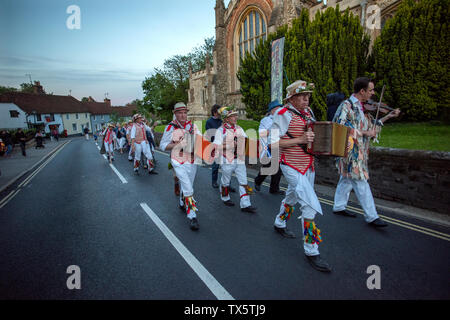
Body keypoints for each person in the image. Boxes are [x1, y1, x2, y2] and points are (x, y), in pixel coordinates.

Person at [270, 79, 332, 272]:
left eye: (308, 96)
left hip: (308, 164)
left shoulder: (309, 112)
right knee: (308, 203)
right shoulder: (282, 114)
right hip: (290, 163)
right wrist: (301, 139)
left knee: (292, 195)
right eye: (303, 97)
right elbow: (272, 143)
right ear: (292, 98)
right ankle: (311, 250)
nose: (307, 100)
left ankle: (279, 222)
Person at [332, 77, 400, 227]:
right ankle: (372, 216)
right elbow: (340, 127)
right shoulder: (346, 106)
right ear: (362, 91)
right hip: (350, 151)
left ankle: (338, 206)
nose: (373, 93)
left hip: (360, 151)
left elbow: (371, 126)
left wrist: (388, 116)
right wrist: (364, 133)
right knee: (360, 180)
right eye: (370, 90)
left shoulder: (363, 107)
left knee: (347, 178)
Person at [160, 102, 201, 231]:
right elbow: (163, 145)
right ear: (175, 114)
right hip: (178, 160)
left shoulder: (193, 126)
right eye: (180, 113)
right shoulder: (170, 127)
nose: (183, 115)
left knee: (188, 184)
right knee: (188, 188)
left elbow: (201, 141)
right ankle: (192, 216)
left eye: (185, 113)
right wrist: (179, 144)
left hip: (192, 159)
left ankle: (182, 202)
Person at [213, 106, 257, 213]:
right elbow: (216, 146)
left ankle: (245, 204)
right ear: (226, 119)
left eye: (235, 115)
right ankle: (225, 197)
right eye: (232, 116)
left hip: (239, 159)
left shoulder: (239, 128)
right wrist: (230, 145)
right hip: (227, 160)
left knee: (243, 181)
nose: (236, 117)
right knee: (226, 181)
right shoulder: (221, 131)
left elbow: (246, 141)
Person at [254, 100, 284, 195]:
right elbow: (262, 133)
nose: (280, 110)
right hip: (268, 147)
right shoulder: (266, 120)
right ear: (272, 110)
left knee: (277, 169)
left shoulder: (279, 119)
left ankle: (274, 189)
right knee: (270, 167)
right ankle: (258, 181)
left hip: (277, 146)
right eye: (278, 108)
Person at [205, 104, 223, 189]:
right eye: (218, 112)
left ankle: (227, 184)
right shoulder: (209, 122)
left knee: (226, 167)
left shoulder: (221, 121)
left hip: (223, 146)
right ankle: (214, 181)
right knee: (215, 166)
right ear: (214, 112)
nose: (220, 114)